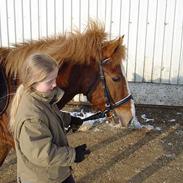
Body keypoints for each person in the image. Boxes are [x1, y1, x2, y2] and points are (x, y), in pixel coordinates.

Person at [9, 53, 90, 183]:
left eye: (55, 79)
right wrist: (73, 155)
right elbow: (41, 153)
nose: (54, 84)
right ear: (33, 82)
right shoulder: (31, 118)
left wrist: (69, 119)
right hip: (43, 178)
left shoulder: (41, 97)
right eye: (49, 81)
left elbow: (50, 113)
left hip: (53, 173)